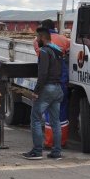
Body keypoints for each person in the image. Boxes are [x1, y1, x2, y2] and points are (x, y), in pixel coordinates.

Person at [23, 26, 64, 160]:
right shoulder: (58, 51)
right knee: (55, 121)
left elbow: (43, 73)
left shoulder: (45, 52)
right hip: (58, 88)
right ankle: (57, 152)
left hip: (47, 88)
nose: (36, 39)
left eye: (37, 37)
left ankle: (37, 151)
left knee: (35, 118)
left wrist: (36, 91)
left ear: (42, 37)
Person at [33, 19, 70, 149]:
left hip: (48, 84)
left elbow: (43, 69)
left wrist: (36, 90)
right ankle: (60, 145)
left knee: (41, 117)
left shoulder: (42, 48)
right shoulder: (65, 41)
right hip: (61, 83)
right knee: (61, 115)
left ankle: (48, 143)